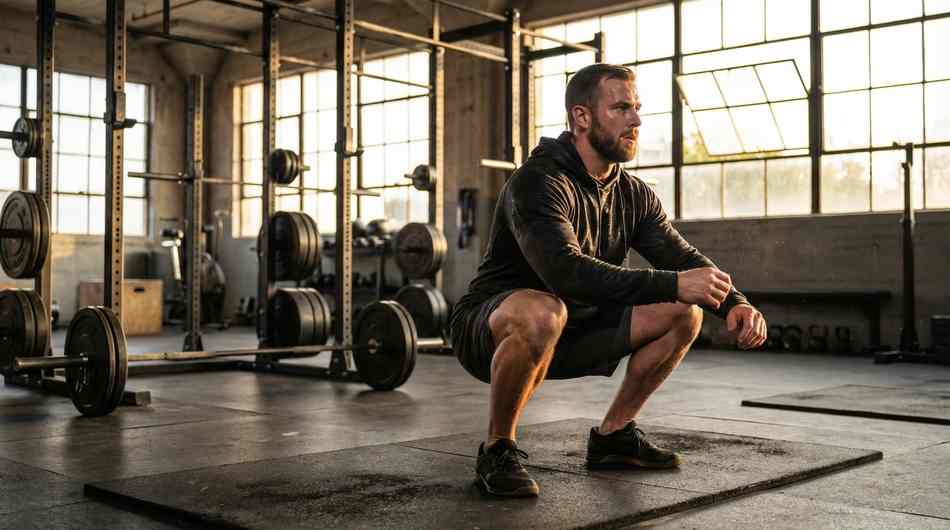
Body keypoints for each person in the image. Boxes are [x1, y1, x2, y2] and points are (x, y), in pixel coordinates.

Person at [449, 63, 768, 497]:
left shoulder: (633, 194)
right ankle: (498, 449)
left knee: (683, 313)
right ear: (582, 117)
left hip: (577, 328)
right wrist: (672, 283)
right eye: (621, 108)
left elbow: (682, 257)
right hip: (491, 330)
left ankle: (614, 437)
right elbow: (566, 273)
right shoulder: (538, 182)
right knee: (544, 309)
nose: (636, 120)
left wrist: (735, 302)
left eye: (637, 108)